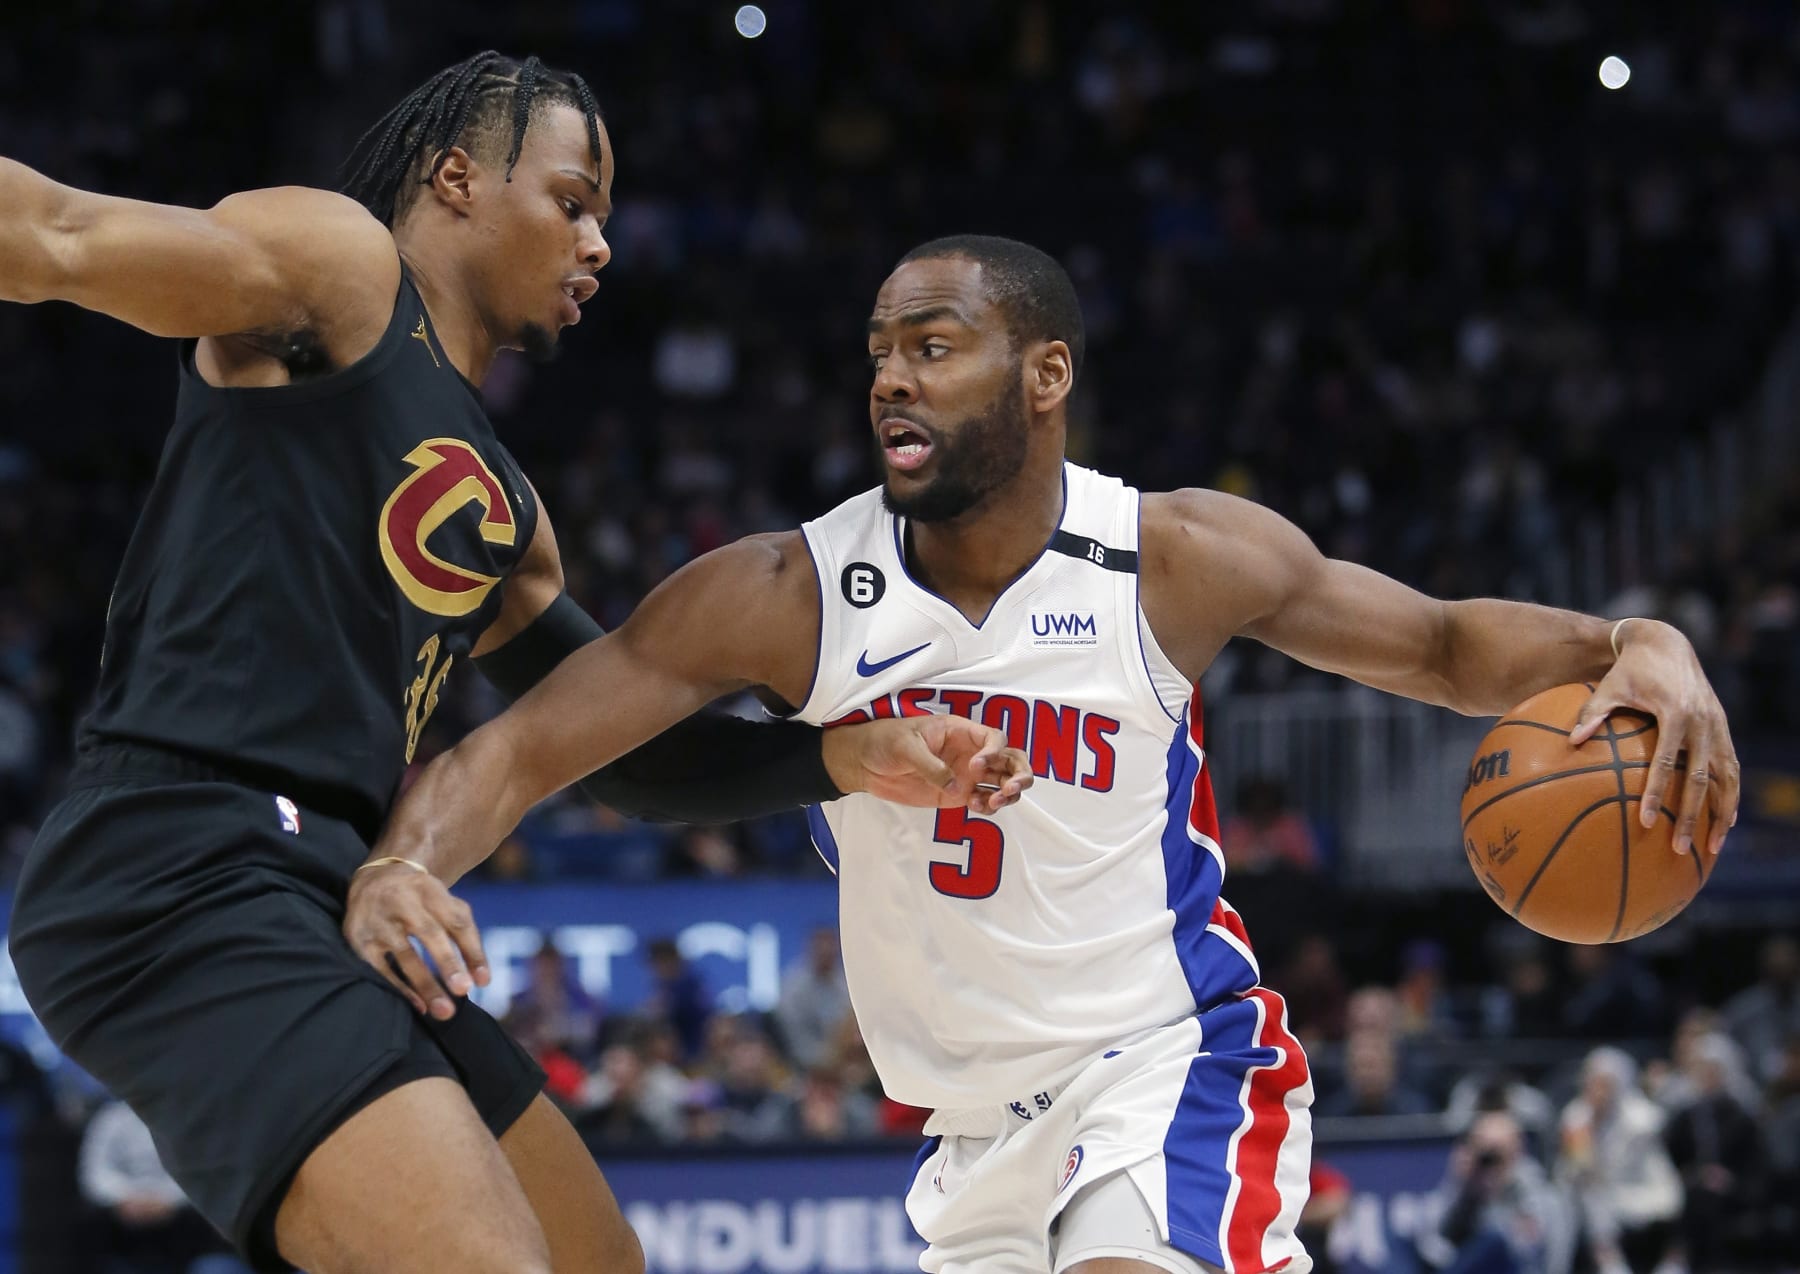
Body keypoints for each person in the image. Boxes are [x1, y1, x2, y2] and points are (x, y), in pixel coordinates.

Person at [353, 235, 1739, 1274]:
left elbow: (1440, 647)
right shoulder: (786, 593)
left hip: (1168, 1065)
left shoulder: (1171, 557)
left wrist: (1634, 639)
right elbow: (526, 747)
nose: (894, 372)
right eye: (882, 348)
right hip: (971, 1139)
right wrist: (404, 862)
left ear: (1045, 372)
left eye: (936, 343)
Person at [0, 54, 1028, 1274]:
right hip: (180, 855)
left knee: (600, 1259)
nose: (600, 242)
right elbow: (53, 233)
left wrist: (836, 756)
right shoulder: (341, 270)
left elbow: (626, 754)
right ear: (455, 181)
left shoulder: (506, 511)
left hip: (327, 891)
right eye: (573, 200)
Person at [1558, 1048, 1684, 1274]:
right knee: (1592, 1198)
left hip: (1635, 1184)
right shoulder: (1576, 1118)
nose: (1598, 1091)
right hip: (1593, 1190)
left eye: (1605, 1083)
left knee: (1677, 1195)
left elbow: (1652, 1164)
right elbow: (1579, 1169)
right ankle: (1610, 1263)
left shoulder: (1641, 1119)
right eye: (1594, 1083)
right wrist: (1587, 1134)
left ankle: (1673, 1263)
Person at [1415, 1111, 1572, 1274]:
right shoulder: (1463, 1190)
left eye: (1498, 1154)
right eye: (1484, 1154)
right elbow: (1432, 1250)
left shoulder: (1541, 1198)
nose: (1490, 1163)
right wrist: (1465, 1191)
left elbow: (1547, 1261)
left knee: (1494, 1240)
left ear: (1517, 1151)